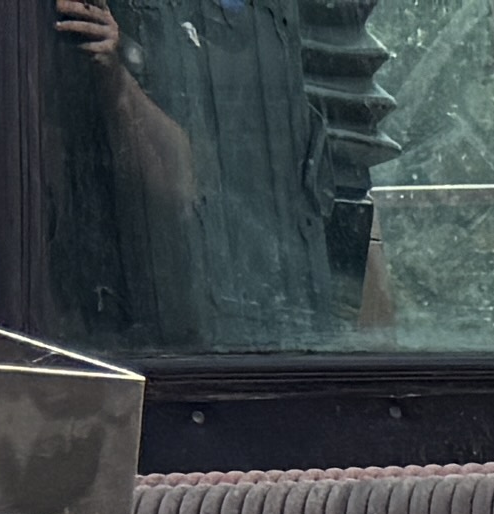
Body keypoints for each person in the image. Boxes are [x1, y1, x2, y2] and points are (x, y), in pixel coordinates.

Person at [50, 0, 398, 351]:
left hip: (288, 325)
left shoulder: (295, 56)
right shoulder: (152, 36)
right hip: (160, 330)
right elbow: (181, 183)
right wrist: (114, 75)